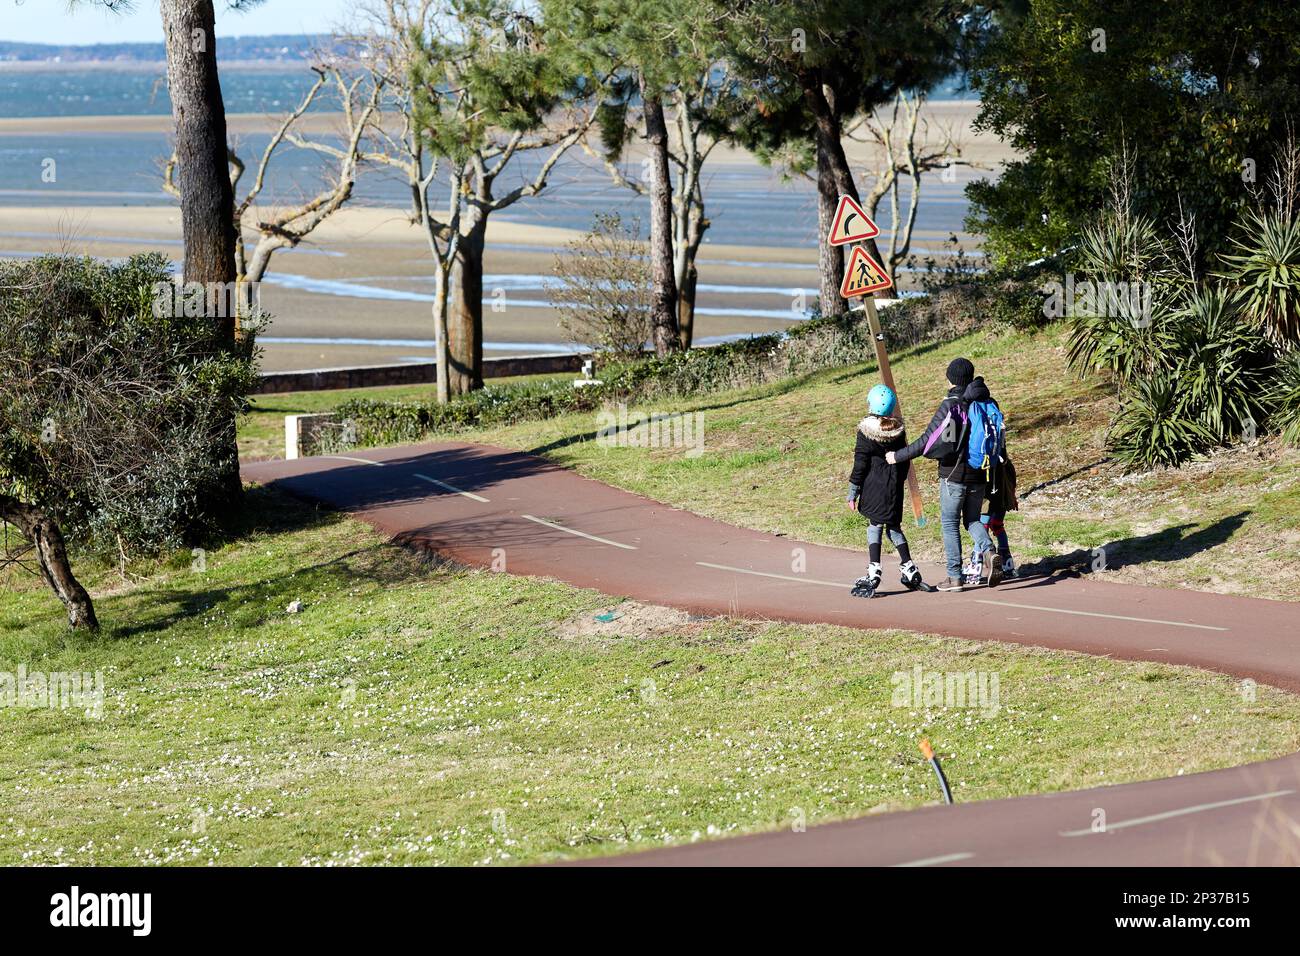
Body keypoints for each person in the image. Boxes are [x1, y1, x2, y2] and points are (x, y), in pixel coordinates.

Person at [886, 357, 999, 592]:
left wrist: (897, 456)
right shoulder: (986, 402)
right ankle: (989, 551)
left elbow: (927, 440)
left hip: (953, 475)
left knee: (950, 523)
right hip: (980, 474)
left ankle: (954, 577)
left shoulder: (952, 404)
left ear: (950, 378)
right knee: (973, 520)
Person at [846, 384, 932, 598]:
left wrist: (852, 491)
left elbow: (860, 465)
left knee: (874, 525)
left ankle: (874, 569)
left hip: (873, 488)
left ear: (871, 405)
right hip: (893, 488)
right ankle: (909, 567)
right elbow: (904, 461)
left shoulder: (865, 432)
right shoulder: (898, 431)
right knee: (893, 526)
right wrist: (897, 481)